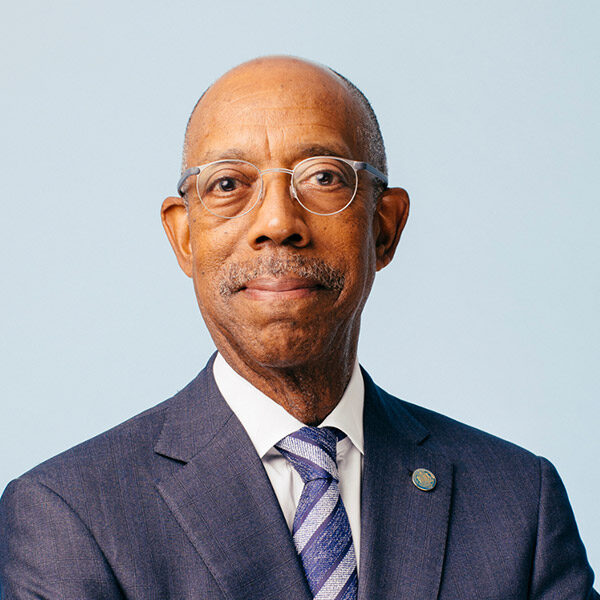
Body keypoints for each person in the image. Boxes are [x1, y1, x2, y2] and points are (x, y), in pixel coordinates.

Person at [0, 56, 597, 600]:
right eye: (229, 184)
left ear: (385, 228)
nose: (279, 222)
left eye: (324, 178)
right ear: (183, 236)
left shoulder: (519, 502)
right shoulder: (67, 516)